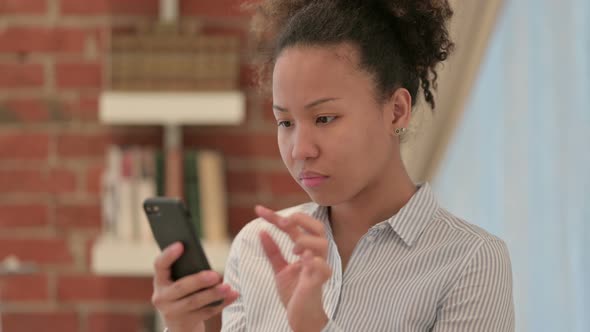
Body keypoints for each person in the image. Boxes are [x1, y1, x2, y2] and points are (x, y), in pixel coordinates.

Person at [151, 0, 515, 331]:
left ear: (396, 111)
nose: (300, 150)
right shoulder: (259, 248)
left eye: (324, 118)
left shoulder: (472, 261)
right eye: (285, 123)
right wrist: (183, 326)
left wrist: (315, 326)